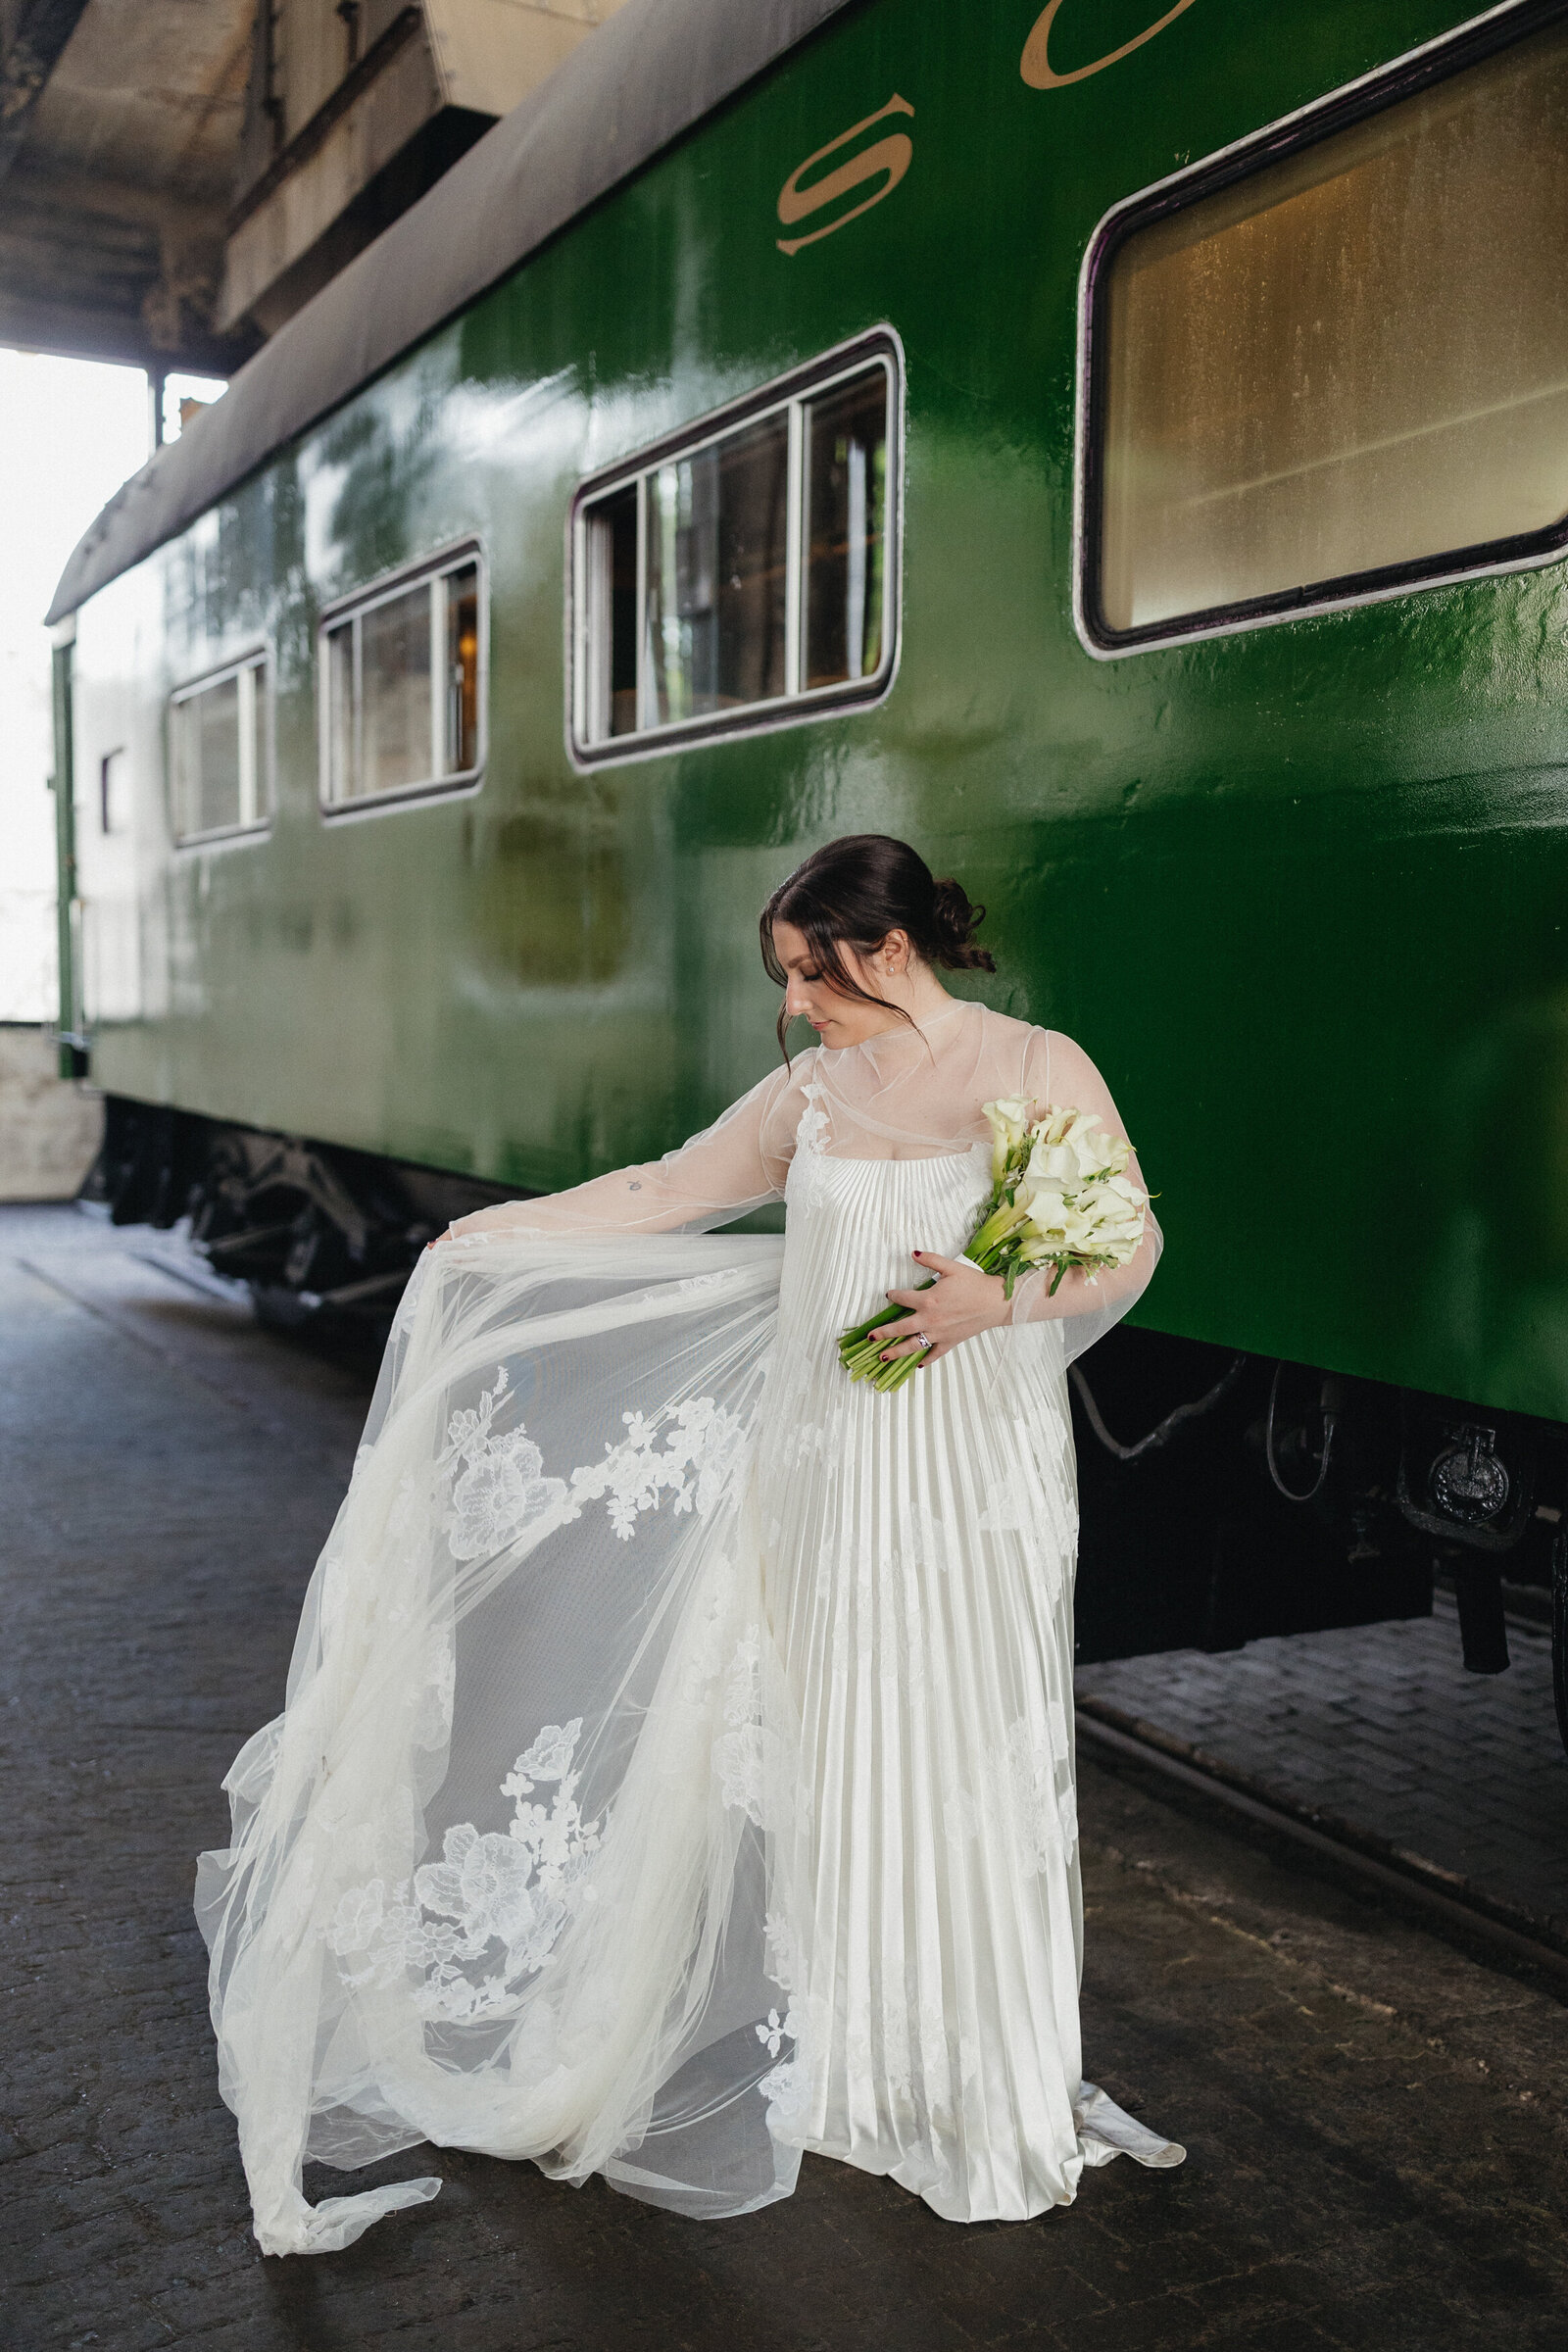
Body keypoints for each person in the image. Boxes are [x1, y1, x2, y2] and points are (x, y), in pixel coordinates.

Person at [196, 833, 1183, 2256]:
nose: (793, 1003)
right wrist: (492, 1237)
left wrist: (999, 1300)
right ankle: (854, 2060)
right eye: (785, 976)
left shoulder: (1033, 1066)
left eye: (810, 973)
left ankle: (981, 2067)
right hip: (826, 1465)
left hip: (974, 1470)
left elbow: (1126, 1243)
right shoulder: (810, 1094)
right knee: (839, 1741)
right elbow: (667, 1191)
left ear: (889, 948)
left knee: (969, 1739)